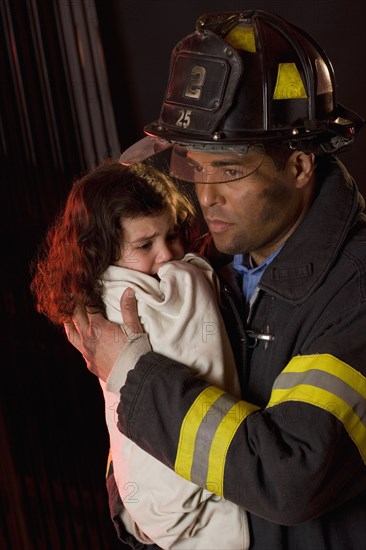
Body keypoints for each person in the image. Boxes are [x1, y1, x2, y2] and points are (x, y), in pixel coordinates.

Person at [65, 10, 366, 550]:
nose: (205, 196)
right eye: (196, 166)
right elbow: (142, 439)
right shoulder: (208, 275)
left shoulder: (356, 291)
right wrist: (140, 513)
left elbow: (292, 475)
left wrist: (133, 374)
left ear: (299, 166)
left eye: (229, 170)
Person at [30, 159, 250, 549]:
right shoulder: (126, 296)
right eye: (145, 245)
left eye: (173, 236)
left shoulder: (101, 299)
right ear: (101, 255)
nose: (167, 256)